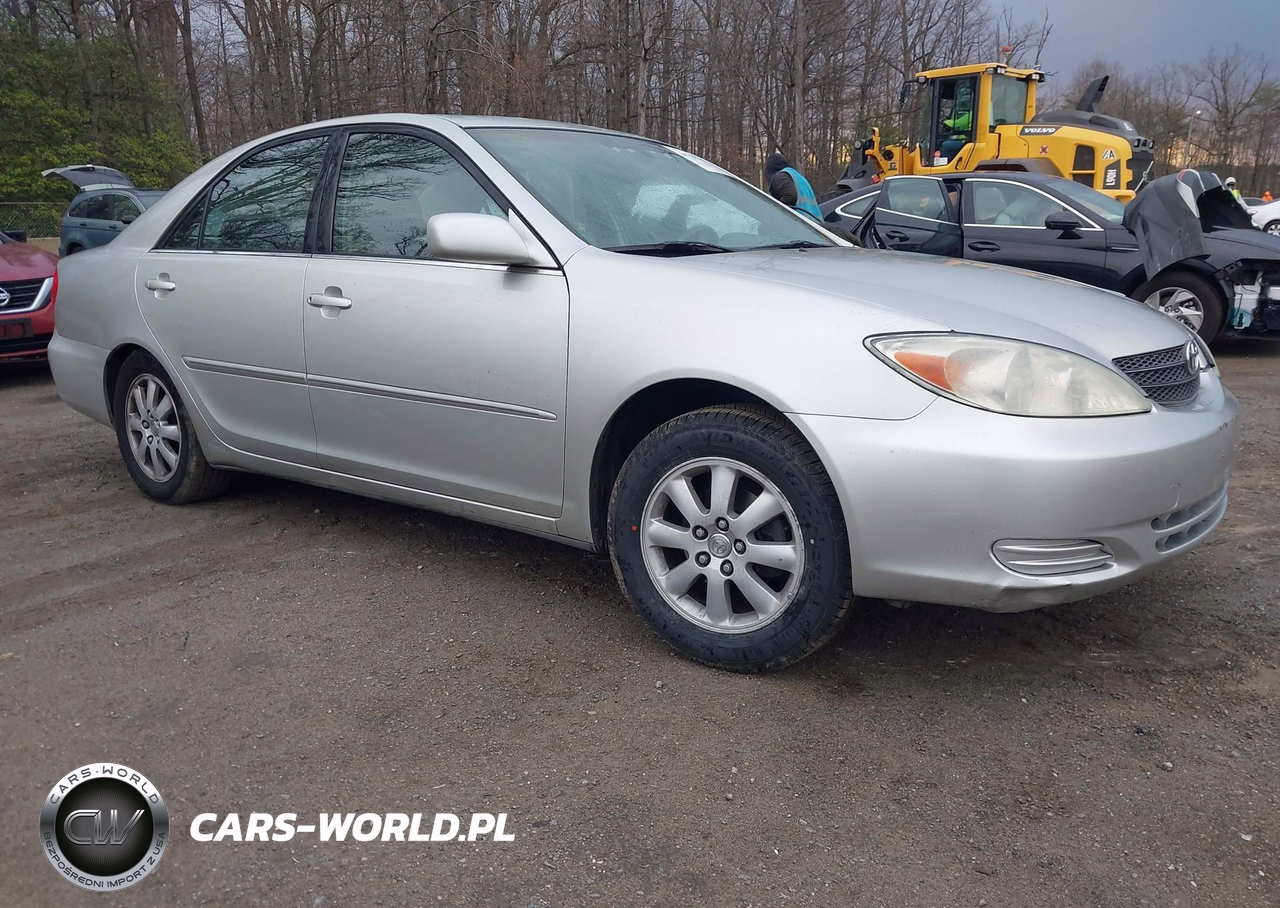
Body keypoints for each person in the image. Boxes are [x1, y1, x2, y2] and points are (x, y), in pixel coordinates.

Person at [764, 151, 822, 220]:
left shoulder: (780, 176)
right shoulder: (796, 175)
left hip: (800, 223)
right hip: (813, 222)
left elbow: (790, 197)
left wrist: (775, 215)